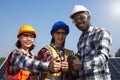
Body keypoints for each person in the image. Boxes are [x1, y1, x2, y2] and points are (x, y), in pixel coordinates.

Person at [69, 5, 112, 80]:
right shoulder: (80, 40)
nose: (78, 21)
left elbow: (103, 58)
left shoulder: (101, 32)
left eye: (82, 17)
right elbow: (80, 63)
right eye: (75, 20)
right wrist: (72, 62)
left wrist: (83, 65)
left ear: (89, 17)